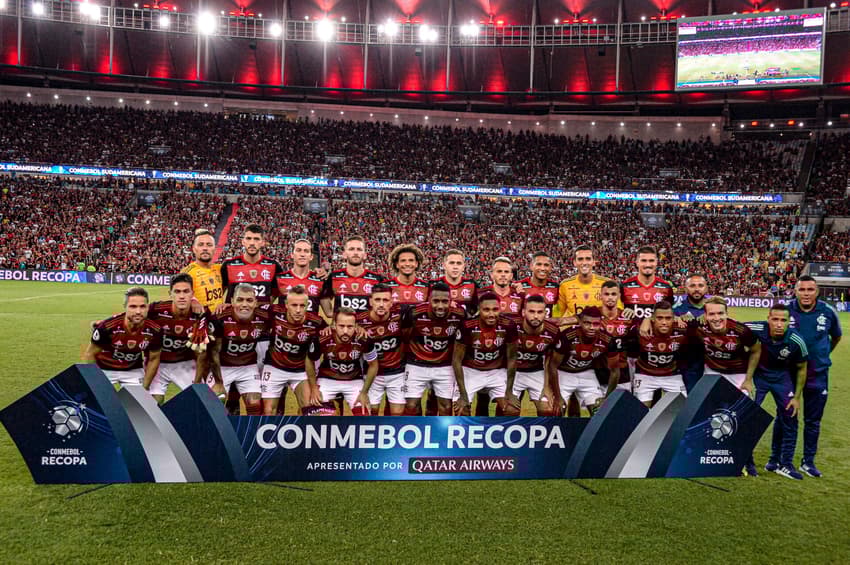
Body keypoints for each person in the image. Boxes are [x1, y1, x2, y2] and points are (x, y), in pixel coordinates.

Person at [786, 276, 842, 477]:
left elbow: (836, 336)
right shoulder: (786, 310)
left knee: (813, 421)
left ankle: (808, 462)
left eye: (811, 289)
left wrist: (822, 355)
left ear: (817, 292)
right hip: (790, 373)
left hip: (817, 375)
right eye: (802, 289)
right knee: (787, 417)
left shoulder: (827, 312)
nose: (806, 293)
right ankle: (781, 460)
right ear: (796, 291)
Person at [746, 305, 809, 480]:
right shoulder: (755, 328)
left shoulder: (796, 340)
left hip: (782, 378)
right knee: (749, 416)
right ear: (768, 319)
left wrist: (796, 397)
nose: (779, 324)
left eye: (783, 320)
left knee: (790, 416)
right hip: (759, 376)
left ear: (789, 322)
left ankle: (784, 463)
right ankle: (746, 460)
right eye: (775, 319)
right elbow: (732, 327)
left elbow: (802, 368)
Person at [401, 282, 467, 416]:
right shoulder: (414, 313)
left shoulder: (459, 314)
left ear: (450, 301)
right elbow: (404, 336)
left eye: (445, 301)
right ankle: (418, 434)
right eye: (436, 301)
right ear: (429, 300)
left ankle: (441, 436)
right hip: (416, 363)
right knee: (411, 406)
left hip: (444, 365)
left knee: (446, 407)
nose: (440, 306)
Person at [205, 284, 271, 415]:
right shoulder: (219, 318)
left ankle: (251, 433)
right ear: (232, 301)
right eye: (240, 300)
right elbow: (213, 352)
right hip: (222, 367)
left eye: (249, 300)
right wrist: (219, 382)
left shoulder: (264, 318)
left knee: (255, 404)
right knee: (214, 401)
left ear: (256, 303)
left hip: (248, 366)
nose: (245, 304)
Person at [146, 273, 210, 403]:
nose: (181, 296)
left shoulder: (202, 314)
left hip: (185, 364)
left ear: (192, 294)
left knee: (200, 401)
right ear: (170, 293)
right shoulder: (156, 310)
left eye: (186, 292)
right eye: (177, 292)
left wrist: (197, 383)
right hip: (157, 363)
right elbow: (134, 315)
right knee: (153, 403)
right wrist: (103, 323)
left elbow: (204, 352)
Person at [452, 292, 519, 416]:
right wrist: (463, 394)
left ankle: (499, 434)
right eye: (486, 310)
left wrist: (509, 391)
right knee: (461, 410)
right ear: (479, 310)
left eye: (495, 309)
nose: (491, 314)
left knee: (511, 409)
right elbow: (456, 360)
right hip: (471, 371)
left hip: (496, 371)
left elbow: (512, 358)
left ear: (500, 309)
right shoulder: (467, 326)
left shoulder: (509, 325)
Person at [262, 285, 324, 415]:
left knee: (310, 410)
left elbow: (334, 334)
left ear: (307, 305)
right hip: (274, 366)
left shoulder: (317, 323)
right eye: (294, 305)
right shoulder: (274, 312)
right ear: (286, 305)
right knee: (268, 411)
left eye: (302, 306)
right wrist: (227, 306)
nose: (298, 310)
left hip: (300, 371)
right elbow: (250, 310)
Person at [307, 307, 379, 415]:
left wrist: (364, 392)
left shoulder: (364, 339)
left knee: (364, 416)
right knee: (315, 413)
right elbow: (309, 360)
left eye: (350, 327)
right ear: (334, 325)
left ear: (356, 326)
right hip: (327, 379)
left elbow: (374, 365)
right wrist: (313, 388)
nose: (345, 331)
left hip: (354, 380)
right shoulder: (322, 338)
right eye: (341, 326)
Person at [86, 287, 162, 388]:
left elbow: (154, 359)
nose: (138, 311)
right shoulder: (107, 327)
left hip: (133, 370)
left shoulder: (155, 330)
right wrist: (97, 378)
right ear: (125, 307)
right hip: (104, 369)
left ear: (148, 307)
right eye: (133, 307)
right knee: (102, 400)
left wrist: (145, 387)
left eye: (142, 306)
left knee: (138, 402)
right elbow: (90, 354)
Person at [549, 307, 620, 415]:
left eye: (596, 324)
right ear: (580, 322)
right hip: (564, 373)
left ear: (601, 323)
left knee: (600, 412)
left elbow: (615, 371)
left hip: (587, 373)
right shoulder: (567, 336)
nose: (591, 327)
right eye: (587, 323)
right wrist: (558, 397)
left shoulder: (608, 339)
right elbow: (553, 366)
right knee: (556, 410)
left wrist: (607, 398)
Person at [356, 283, 406, 415]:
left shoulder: (400, 314)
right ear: (371, 301)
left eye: (385, 300)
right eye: (377, 300)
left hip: (397, 372)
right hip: (372, 374)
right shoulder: (359, 320)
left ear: (391, 302)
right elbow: (339, 324)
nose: (381, 304)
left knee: (397, 414)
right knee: (371, 411)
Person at [626, 301, 688, 407]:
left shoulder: (682, 329)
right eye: (660, 318)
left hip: (672, 375)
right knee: (640, 412)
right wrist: (644, 318)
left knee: (682, 410)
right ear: (653, 319)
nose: (664, 322)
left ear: (674, 319)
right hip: (645, 374)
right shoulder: (641, 329)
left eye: (668, 318)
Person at [511, 295, 560, 416]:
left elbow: (550, 361)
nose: (536, 316)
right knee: (508, 409)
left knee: (548, 409)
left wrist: (547, 387)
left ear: (545, 313)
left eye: (540, 312)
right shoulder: (511, 326)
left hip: (536, 371)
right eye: (531, 311)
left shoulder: (553, 331)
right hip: (513, 372)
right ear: (523, 312)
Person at [320, 235, 385, 316]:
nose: (355, 252)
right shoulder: (334, 277)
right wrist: (330, 313)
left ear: (365, 255)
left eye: (359, 249)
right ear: (344, 254)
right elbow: (324, 296)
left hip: (366, 327)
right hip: (344, 327)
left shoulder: (377, 279)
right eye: (351, 249)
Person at [673, 274, 709, 391]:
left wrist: (711, 317)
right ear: (686, 288)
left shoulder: (714, 308)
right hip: (687, 363)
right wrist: (674, 319)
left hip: (712, 361)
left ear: (706, 288)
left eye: (700, 285)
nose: (697, 288)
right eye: (692, 285)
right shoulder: (677, 309)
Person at [600, 281, 636, 396]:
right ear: (600, 295)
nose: (610, 297)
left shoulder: (628, 317)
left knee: (621, 409)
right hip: (598, 371)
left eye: (614, 294)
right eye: (606, 294)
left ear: (619, 296)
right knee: (597, 410)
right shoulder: (592, 315)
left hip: (622, 371)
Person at [622, 246, 674, 321]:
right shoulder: (624, 286)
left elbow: (669, 313)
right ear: (637, 262)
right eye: (643, 261)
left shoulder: (666, 287)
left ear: (656, 262)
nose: (647, 265)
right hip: (632, 331)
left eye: (651, 261)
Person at [275, 239, 324, 314]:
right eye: (298, 250)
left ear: (311, 256)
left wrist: (328, 277)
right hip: (285, 325)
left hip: (310, 325)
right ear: (292, 254)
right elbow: (266, 303)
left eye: (306, 251)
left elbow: (329, 312)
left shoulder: (320, 280)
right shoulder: (280, 278)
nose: (302, 254)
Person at [180, 228, 225, 312]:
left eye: (209, 245)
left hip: (219, 321)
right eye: (201, 244)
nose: (205, 248)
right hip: (199, 321)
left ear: (214, 249)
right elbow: (179, 294)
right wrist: (193, 300)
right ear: (194, 249)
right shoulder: (187, 273)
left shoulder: (220, 269)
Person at [385, 243, 430, 307]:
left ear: (416, 263)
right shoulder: (386, 286)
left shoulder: (427, 287)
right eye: (403, 261)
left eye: (411, 260)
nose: (407, 264)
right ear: (397, 264)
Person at [517, 251, 560, 318]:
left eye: (546, 265)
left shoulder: (556, 287)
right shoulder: (519, 287)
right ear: (531, 266)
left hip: (548, 327)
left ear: (550, 267)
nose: (542, 268)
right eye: (539, 264)